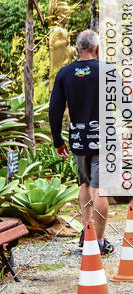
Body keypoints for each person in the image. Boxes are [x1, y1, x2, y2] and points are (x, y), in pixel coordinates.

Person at [48, 29, 114, 254]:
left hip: (78, 139)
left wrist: (58, 140)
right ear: (97, 49)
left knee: (85, 185)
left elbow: (55, 110)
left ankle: (87, 232)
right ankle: (99, 241)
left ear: (77, 49)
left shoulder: (65, 73)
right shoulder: (107, 70)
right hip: (104, 139)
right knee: (101, 189)